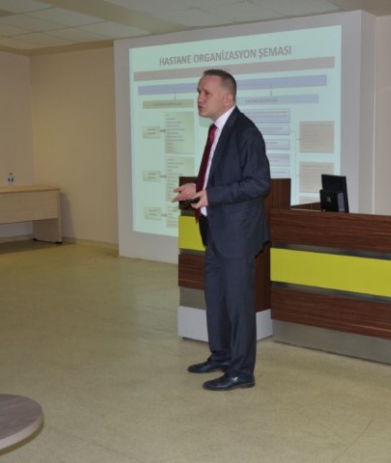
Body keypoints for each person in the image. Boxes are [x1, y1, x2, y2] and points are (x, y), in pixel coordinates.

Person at [173, 69, 270, 391]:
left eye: (206, 93)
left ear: (227, 98)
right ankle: (222, 355)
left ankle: (242, 372)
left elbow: (259, 183)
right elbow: (221, 175)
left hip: (237, 235)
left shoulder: (246, 132)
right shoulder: (217, 130)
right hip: (215, 230)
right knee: (216, 299)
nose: (199, 98)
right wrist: (197, 187)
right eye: (198, 92)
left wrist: (212, 194)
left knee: (238, 305)